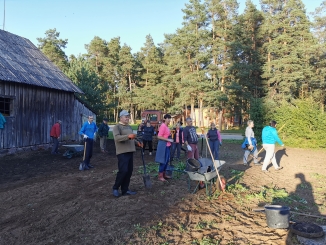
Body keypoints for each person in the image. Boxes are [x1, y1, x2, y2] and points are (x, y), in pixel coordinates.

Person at [112, 110, 142, 197]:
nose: (127, 118)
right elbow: (117, 138)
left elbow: (132, 138)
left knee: (129, 171)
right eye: (126, 116)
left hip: (130, 151)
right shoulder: (117, 127)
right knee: (123, 171)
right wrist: (128, 136)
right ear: (121, 117)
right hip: (122, 152)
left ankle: (125, 189)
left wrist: (137, 143)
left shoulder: (129, 127)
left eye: (128, 116)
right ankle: (115, 188)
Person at [155, 114, 173, 181]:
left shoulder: (167, 126)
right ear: (165, 119)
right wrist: (168, 139)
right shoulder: (163, 126)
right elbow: (159, 136)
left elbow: (166, 135)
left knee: (166, 160)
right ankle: (160, 175)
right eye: (168, 118)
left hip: (167, 145)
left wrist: (169, 136)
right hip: (163, 145)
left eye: (169, 118)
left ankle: (164, 174)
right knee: (163, 161)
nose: (169, 120)